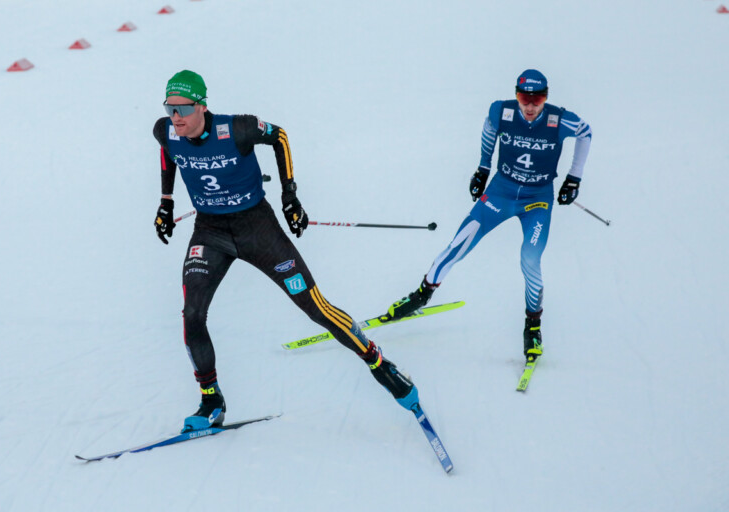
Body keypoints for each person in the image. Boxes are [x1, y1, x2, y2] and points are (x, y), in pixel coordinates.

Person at [153, 70, 418, 433]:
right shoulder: (166, 131)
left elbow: (279, 137)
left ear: (202, 106)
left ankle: (379, 362)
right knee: (192, 314)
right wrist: (166, 201)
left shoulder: (238, 128)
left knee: (315, 307)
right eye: (169, 109)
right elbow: (168, 152)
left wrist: (289, 195)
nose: (175, 117)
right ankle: (211, 400)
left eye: (183, 109)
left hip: (257, 229)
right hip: (210, 233)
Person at [381, 69, 592, 363]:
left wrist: (574, 178)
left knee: (530, 258)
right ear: (516, 96)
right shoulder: (502, 111)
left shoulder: (559, 119)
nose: (530, 106)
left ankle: (533, 325)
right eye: (524, 98)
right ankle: (421, 294)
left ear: (546, 97)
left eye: (538, 99)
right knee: (459, 243)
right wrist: (482, 168)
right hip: (501, 193)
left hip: (537, 201)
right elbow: (489, 128)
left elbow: (585, 133)